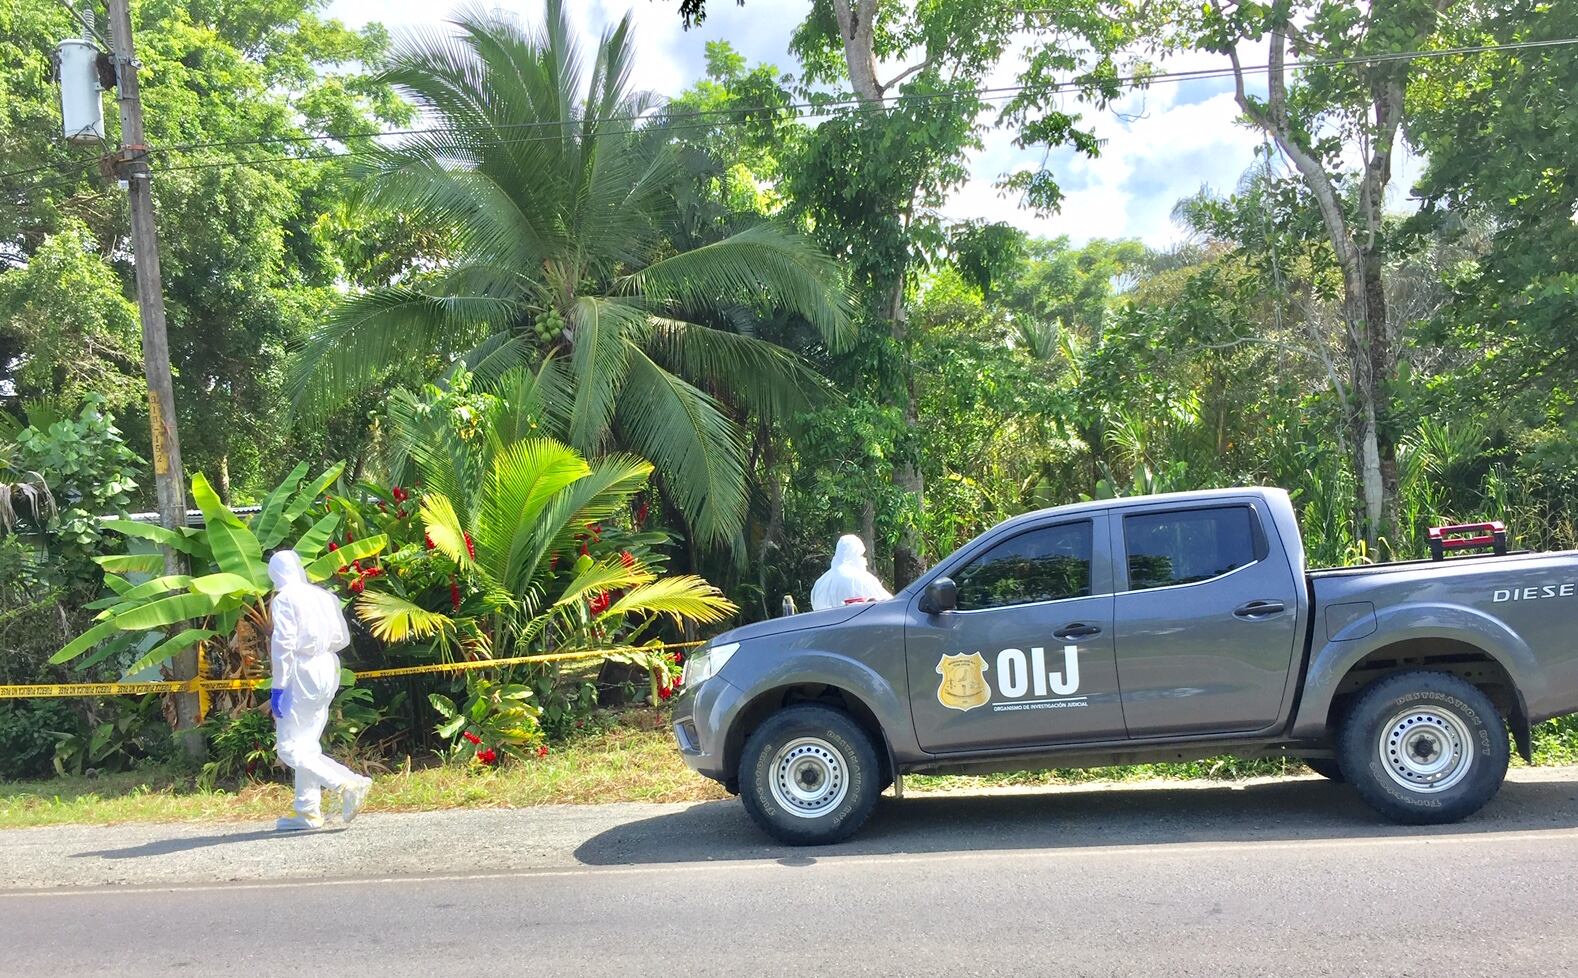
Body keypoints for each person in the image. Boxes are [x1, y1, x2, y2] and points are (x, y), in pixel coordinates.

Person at [268, 549, 372, 831]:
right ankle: (307, 811)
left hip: (301, 671)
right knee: (307, 744)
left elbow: (284, 646)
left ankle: (346, 784)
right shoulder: (324, 596)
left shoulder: (285, 599)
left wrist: (279, 687)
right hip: (328, 666)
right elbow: (341, 638)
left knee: (290, 747)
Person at [809, 534, 892, 611]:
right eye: (861, 555)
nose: (864, 559)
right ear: (854, 554)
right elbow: (889, 604)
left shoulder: (820, 583)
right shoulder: (863, 579)